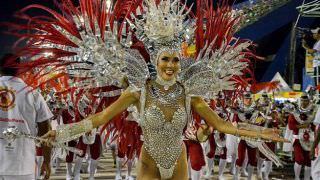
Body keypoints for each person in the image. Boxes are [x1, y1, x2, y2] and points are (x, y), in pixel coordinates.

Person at [11, 1, 286, 180]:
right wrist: (60, 134)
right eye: (165, 59)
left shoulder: (190, 94)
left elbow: (223, 125)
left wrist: (262, 133)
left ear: (181, 61)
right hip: (148, 163)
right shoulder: (136, 92)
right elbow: (98, 119)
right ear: (155, 61)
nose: (170, 65)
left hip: (178, 162)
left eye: (175, 59)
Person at [0, 54, 53, 180]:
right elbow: (46, 130)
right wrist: (46, 161)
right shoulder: (32, 94)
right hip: (21, 164)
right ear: (20, 70)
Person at [288, 94, 316, 180]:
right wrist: (304, 126)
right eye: (302, 100)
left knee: (309, 161)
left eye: (305, 100)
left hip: (310, 140)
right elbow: (291, 126)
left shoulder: (314, 112)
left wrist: (311, 125)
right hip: (297, 140)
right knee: (299, 159)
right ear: (300, 101)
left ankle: (306, 179)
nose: (304, 102)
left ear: (309, 101)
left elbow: (316, 126)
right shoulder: (294, 112)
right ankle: (297, 178)